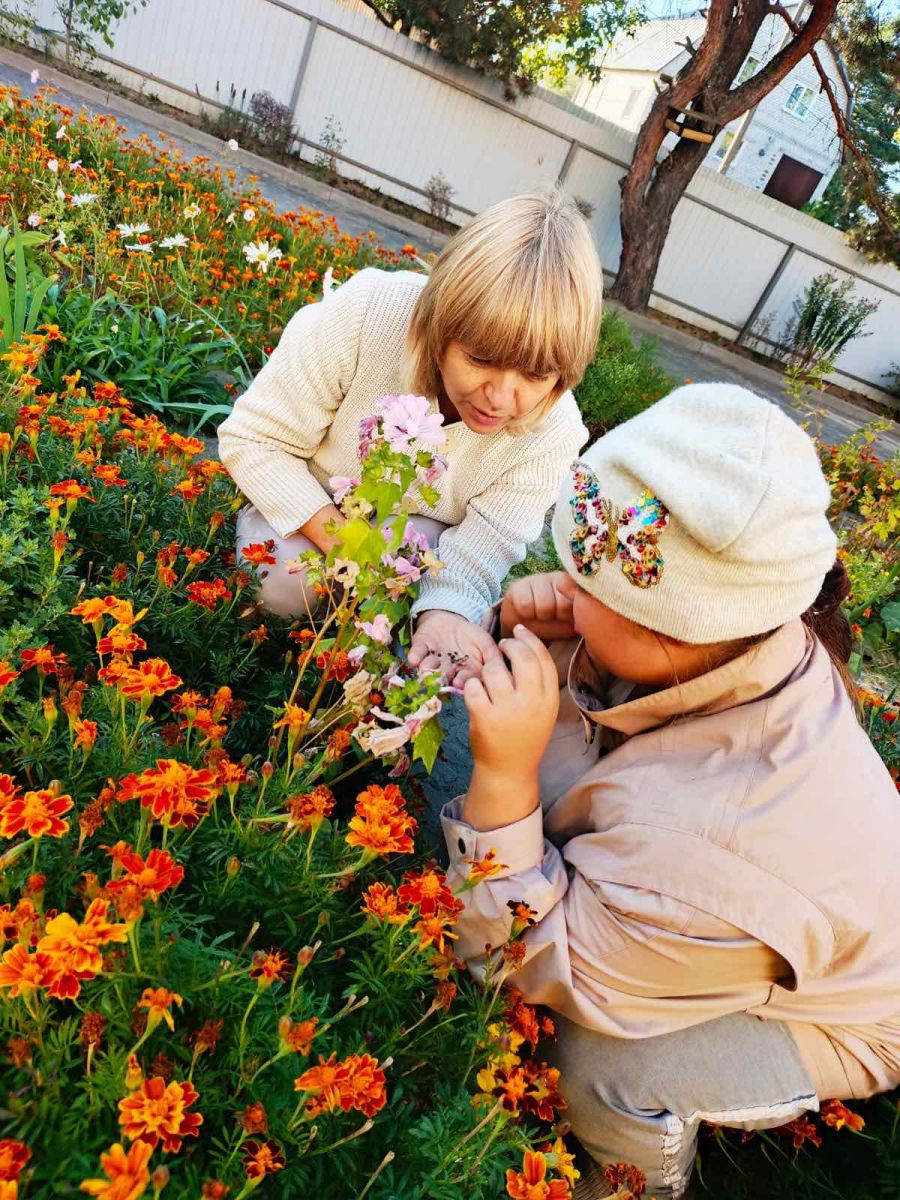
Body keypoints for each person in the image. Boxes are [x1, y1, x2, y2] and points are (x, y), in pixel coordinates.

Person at [440, 383, 900, 1199]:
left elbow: (518, 960)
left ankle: (638, 1180)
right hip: (746, 891)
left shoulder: (714, 853)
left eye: (591, 587)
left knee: (600, 1060)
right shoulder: (737, 631)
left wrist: (505, 777)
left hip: (849, 1011)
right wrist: (541, 625)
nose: (564, 590)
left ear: (679, 632)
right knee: (490, 705)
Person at [217, 192, 601, 683]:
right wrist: (349, 546)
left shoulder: (555, 432)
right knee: (283, 584)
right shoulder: (367, 313)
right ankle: (260, 668)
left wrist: (443, 612)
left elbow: (487, 542)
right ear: (439, 326)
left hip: (426, 542)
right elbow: (255, 439)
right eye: (481, 359)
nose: (500, 398)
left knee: (423, 646)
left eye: (536, 374)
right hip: (309, 507)